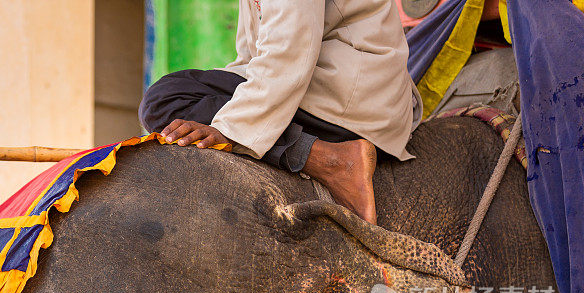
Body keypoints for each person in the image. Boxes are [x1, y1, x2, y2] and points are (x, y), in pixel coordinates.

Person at [139, 0, 423, 224]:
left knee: (165, 100)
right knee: (187, 99)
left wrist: (229, 129)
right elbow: (252, 59)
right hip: (352, 99)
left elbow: (290, 47)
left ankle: (330, 159)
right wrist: (224, 110)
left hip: (351, 101)